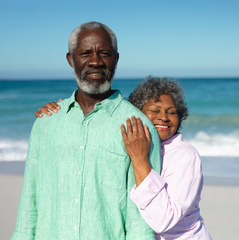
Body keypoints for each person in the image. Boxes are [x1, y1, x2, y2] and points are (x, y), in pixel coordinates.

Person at [11, 22, 161, 240]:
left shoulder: (138, 127)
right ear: (71, 59)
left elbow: (141, 220)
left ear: (116, 59)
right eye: (85, 53)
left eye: (104, 53)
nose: (95, 62)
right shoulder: (46, 123)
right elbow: (29, 203)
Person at [36, 77, 212, 239]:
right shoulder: (128, 143)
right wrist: (59, 115)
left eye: (171, 112)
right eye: (154, 110)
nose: (163, 117)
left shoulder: (184, 155)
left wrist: (140, 159)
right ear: (136, 114)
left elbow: (163, 220)